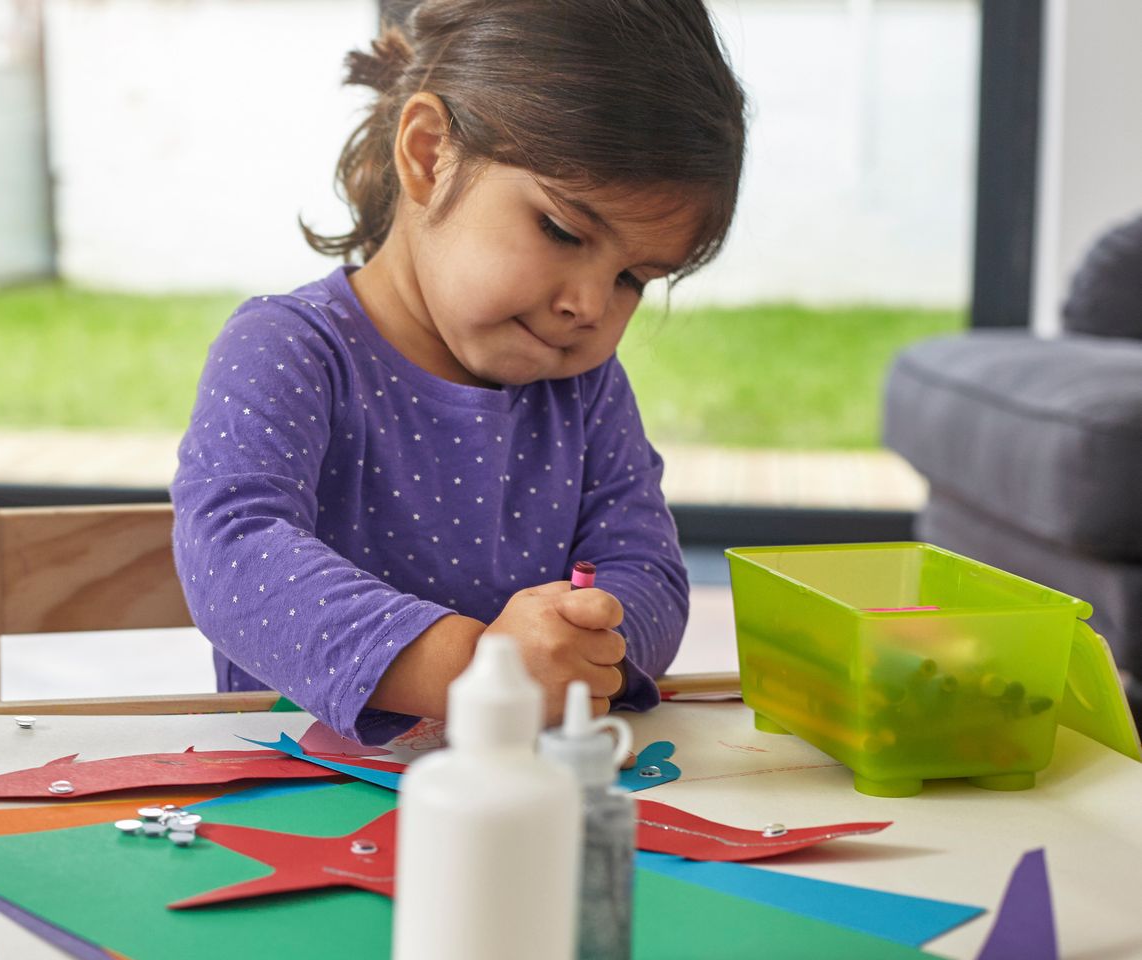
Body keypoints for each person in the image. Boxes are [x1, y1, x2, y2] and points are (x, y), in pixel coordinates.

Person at [172, 0, 747, 743]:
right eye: (562, 230)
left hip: (529, 794)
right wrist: (480, 668)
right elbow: (231, 553)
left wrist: (589, 640)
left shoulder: (586, 387)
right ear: (428, 153)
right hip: (298, 797)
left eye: (635, 277)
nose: (589, 306)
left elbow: (647, 568)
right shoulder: (288, 347)